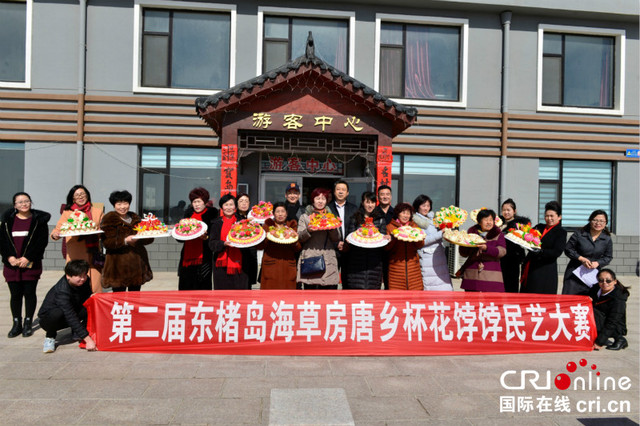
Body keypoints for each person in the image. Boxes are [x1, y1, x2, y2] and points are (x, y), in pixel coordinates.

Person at [0, 192, 50, 338]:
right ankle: (17, 323)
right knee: (15, 295)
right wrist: (9, 257)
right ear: (15, 205)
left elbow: (41, 242)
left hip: (30, 264)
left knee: (29, 293)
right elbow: (2, 242)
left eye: (26, 201)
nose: (24, 204)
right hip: (12, 264)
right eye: (20, 202)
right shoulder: (8, 220)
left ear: (31, 202)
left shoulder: (39, 221)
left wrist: (28, 257)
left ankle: (28, 322)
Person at [51, 185, 104, 293]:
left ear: (87, 195)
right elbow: (57, 230)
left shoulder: (97, 211)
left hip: (93, 253)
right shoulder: (68, 213)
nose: (80, 197)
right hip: (76, 253)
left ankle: (94, 306)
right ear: (73, 198)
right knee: (77, 284)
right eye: (77, 195)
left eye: (82, 194)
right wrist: (55, 234)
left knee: (95, 285)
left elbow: (104, 228)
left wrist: (100, 232)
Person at [37, 260, 96, 353]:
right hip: (49, 319)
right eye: (79, 276)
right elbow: (69, 315)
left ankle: (78, 331)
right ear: (68, 276)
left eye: (84, 275)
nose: (83, 278)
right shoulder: (62, 290)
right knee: (57, 313)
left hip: (71, 310)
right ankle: (50, 337)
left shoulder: (85, 281)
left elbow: (87, 297)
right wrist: (88, 340)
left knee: (91, 304)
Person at [101, 190, 153, 292]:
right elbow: (107, 242)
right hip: (118, 266)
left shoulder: (135, 218)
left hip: (136, 266)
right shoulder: (109, 219)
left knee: (135, 297)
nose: (122, 207)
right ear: (114, 205)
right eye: (119, 204)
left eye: (125, 203)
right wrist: (124, 241)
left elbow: (147, 240)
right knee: (119, 298)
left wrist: (145, 235)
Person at [343, 192, 390, 290]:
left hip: (374, 263)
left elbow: (382, 241)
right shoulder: (355, 219)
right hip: (356, 263)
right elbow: (350, 237)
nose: (370, 205)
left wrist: (387, 239)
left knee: (372, 295)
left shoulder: (380, 220)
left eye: (372, 202)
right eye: (367, 202)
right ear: (362, 203)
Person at [562, 210, 613, 295]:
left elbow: (608, 257)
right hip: (575, 273)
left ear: (605, 223)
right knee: (570, 299)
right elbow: (568, 249)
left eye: (601, 221)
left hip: (593, 274)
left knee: (589, 300)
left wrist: (598, 263)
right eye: (595, 220)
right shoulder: (579, 234)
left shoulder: (607, 239)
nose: (598, 223)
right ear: (590, 221)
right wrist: (581, 258)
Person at [297, 188, 340, 289]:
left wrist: (331, 228)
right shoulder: (305, 217)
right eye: (318, 198)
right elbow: (299, 237)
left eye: (323, 199)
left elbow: (336, 238)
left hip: (328, 257)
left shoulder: (331, 216)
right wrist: (308, 230)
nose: (320, 201)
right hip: (310, 256)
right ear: (313, 200)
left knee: (328, 293)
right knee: (310, 293)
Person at [520, 201, 567, 294]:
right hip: (531, 265)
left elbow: (556, 252)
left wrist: (540, 252)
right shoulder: (539, 227)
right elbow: (527, 236)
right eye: (546, 216)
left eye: (552, 216)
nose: (549, 218)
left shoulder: (561, 232)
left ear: (559, 217)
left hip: (545, 269)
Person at [177, 188, 218, 291]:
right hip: (187, 257)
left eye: (199, 201)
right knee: (186, 286)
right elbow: (180, 238)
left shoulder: (212, 214)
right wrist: (180, 231)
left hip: (204, 257)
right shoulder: (187, 215)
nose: (197, 204)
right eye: (194, 202)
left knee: (203, 286)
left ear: (205, 202)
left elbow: (214, 236)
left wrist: (206, 238)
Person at [459, 209, 506, 292]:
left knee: (490, 302)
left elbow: (502, 251)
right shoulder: (471, 234)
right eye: (486, 220)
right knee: (471, 301)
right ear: (479, 222)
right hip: (472, 274)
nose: (489, 222)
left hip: (491, 275)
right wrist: (462, 243)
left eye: (491, 220)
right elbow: (463, 253)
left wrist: (486, 248)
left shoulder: (498, 234)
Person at [412, 195, 452, 291]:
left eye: (428, 206)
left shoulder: (434, 219)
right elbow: (422, 241)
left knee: (444, 285)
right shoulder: (415, 221)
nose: (426, 208)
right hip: (427, 258)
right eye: (423, 205)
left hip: (439, 257)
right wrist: (440, 233)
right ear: (418, 206)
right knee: (431, 286)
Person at [209, 194, 249, 290]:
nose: (229, 207)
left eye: (231, 205)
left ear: (235, 206)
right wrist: (223, 243)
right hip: (221, 265)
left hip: (240, 263)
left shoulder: (242, 222)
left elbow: (249, 240)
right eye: (226, 205)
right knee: (222, 294)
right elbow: (211, 243)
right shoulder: (216, 223)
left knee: (239, 293)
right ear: (222, 207)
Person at [257, 202, 301, 289]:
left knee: (287, 298)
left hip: (288, 266)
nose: (280, 214)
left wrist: (293, 239)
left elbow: (298, 248)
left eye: (282, 211)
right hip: (271, 266)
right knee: (270, 296)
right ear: (273, 214)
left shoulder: (292, 226)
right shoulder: (267, 225)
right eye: (277, 211)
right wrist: (267, 237)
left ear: (286, 213)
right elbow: (259, 246)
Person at [385, 203, 424, 290]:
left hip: (413, 268)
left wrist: (418, 237)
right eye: (403, 212)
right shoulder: (390, 227)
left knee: (415, 298)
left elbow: (420, 245)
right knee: (397, 299)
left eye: (408, 213)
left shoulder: (414, 227)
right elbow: (386, 248)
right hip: (396, 268)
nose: (406, 216)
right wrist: (393, 237)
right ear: (398, 213)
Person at [327, 180, 358, 289]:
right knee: (331, 280)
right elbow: (325, 230)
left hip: (349, 249)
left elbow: (357, 228)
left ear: (347, 193)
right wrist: (336, 244)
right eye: (338, 189)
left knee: (348, 280)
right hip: (332, 250)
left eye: (343, 190)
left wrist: (348, 243)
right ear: (334, 192)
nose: (341, 192)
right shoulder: (327, 209)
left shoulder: (354, 209)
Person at [590, 269, 629, 351]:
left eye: (608, 281)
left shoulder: (618, 298)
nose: (605, 283)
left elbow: (613, 321)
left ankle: (620, 339)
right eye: (601, 280)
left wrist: (599, 342)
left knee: (594, 312)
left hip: (615, 325)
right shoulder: (596, 289)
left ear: (615, 281)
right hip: (601, 318)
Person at [499, 198, 531, 293]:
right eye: (504, 210)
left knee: (511, 285)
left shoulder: (519, 225)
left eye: (508, 210)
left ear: (514, 211)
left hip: (512, 259)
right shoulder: (498, 224)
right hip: (499, 259)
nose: (506, 212)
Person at [235, 192, 258, 289]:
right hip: (238, 253)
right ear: (237, 203)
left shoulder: (254, 217)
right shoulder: (234, 217)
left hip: (251, 253)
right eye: (241, 201)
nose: (244, 203)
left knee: (248, 283)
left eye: (246, 201)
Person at [374, 185, 394, 289]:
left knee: (390, 281)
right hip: (376, 251)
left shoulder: (396, 213)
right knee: (375, 279)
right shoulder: (372, 213)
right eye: (382, 194)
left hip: (392, 252)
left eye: (387, 194)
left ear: (391, 196)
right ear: (378, 197)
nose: (385, 197)